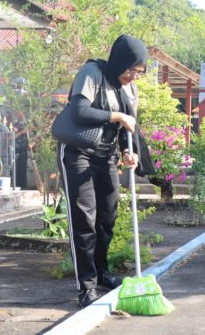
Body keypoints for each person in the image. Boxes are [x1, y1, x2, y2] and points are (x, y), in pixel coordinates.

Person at [56, 34, 147, 307]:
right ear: (120, 61)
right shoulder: (92, 72)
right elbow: (79, 111)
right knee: (84, 220)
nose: (133, 76)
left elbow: (125, 130)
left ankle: (102, 272)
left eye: (139, 72)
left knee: (106, 217)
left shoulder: (130, 90)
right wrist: (116, 115)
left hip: (105, 156)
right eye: (131, 69)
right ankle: (86, 286)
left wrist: (128, 152)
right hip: (77, 152)